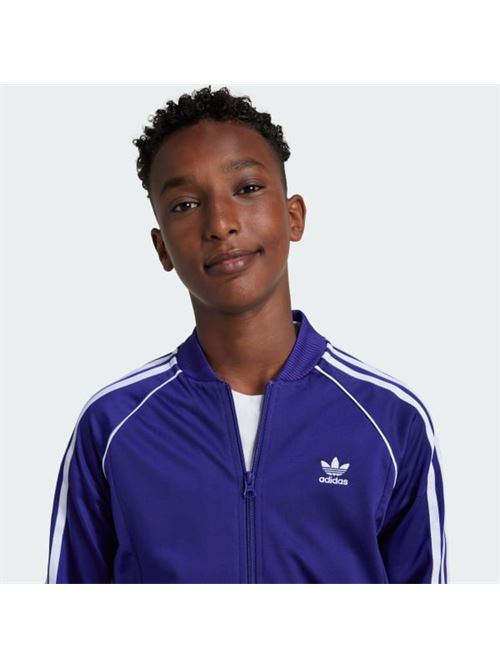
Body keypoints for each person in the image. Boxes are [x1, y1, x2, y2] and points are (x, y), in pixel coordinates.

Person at [46, 85, 447, 584]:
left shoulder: (390, 419)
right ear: (162, 248)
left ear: (294, 216)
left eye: (248, 188)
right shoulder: (112, 427)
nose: (220, 223)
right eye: (185, 204)